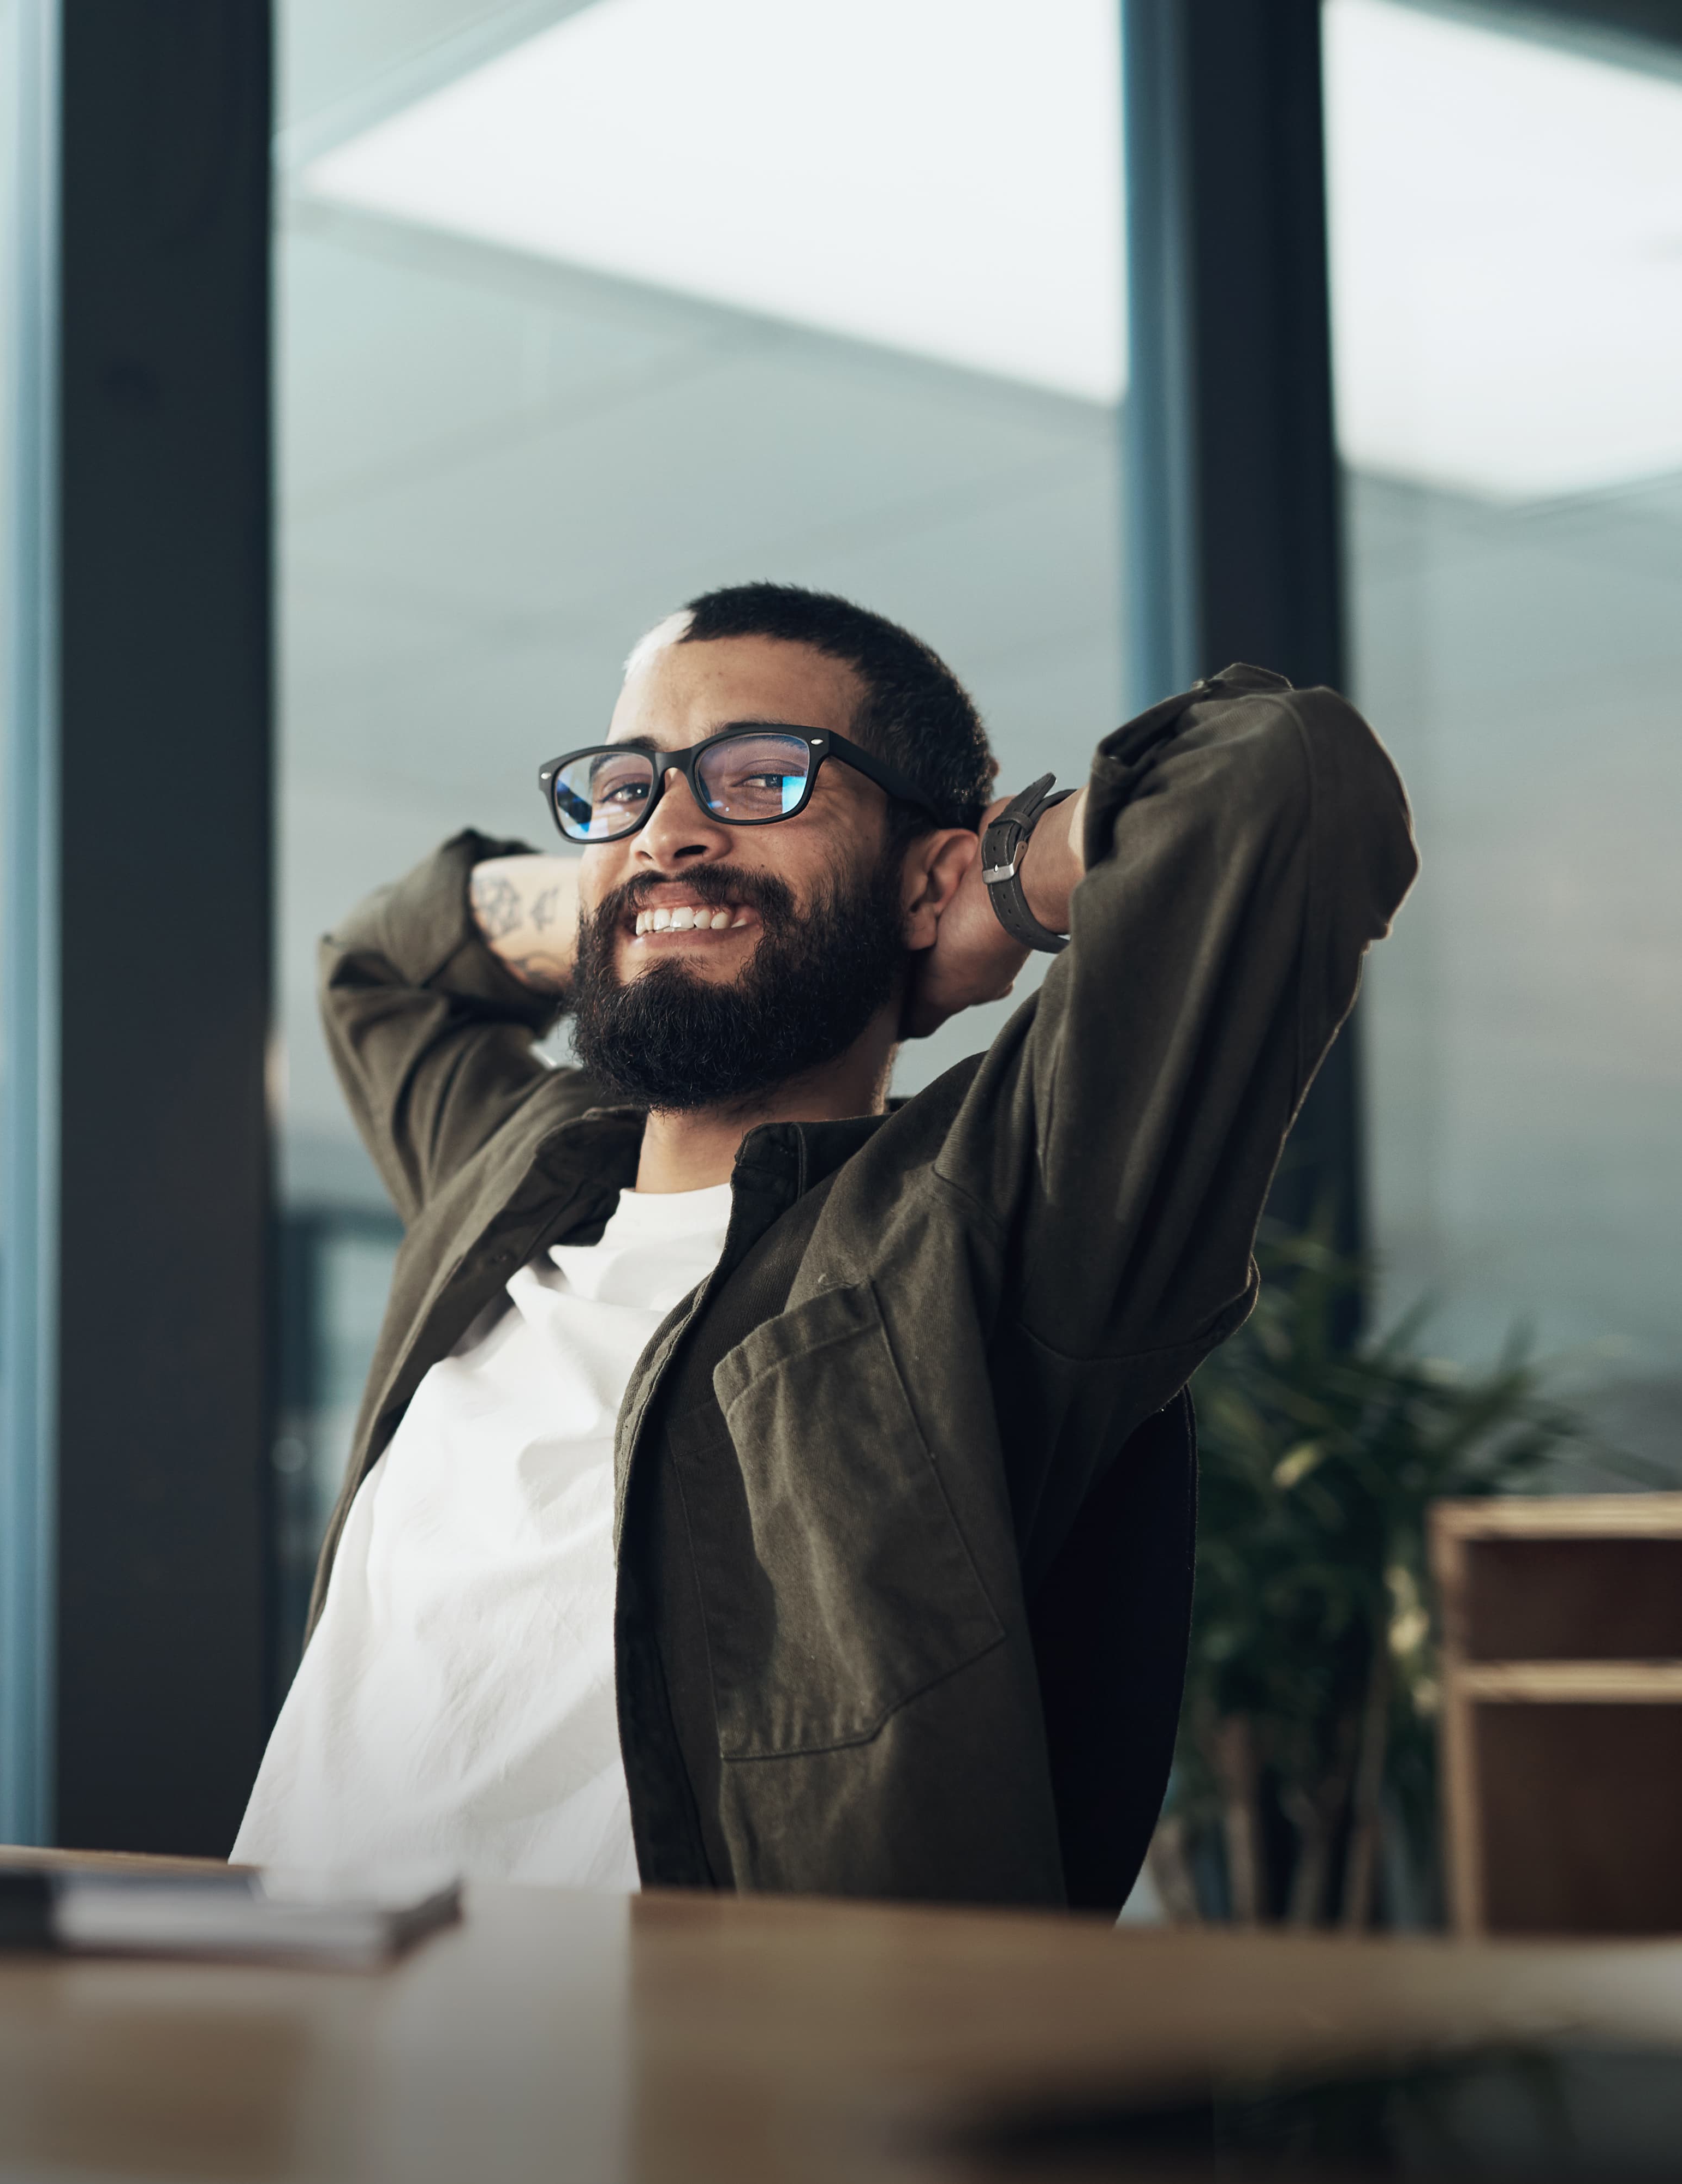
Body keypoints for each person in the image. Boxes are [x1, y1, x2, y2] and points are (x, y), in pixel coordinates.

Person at [233, 582, 1417, 1908]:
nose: (673, 827)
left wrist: (998, 889)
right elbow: (378, 969)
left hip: (693, 2096)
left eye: (759, 778)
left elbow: (1286, 783)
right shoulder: (510, 1171)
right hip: (276, 2063)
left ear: (926, 871)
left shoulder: (988, 1222)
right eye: (626, 785)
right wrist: (629, 884)